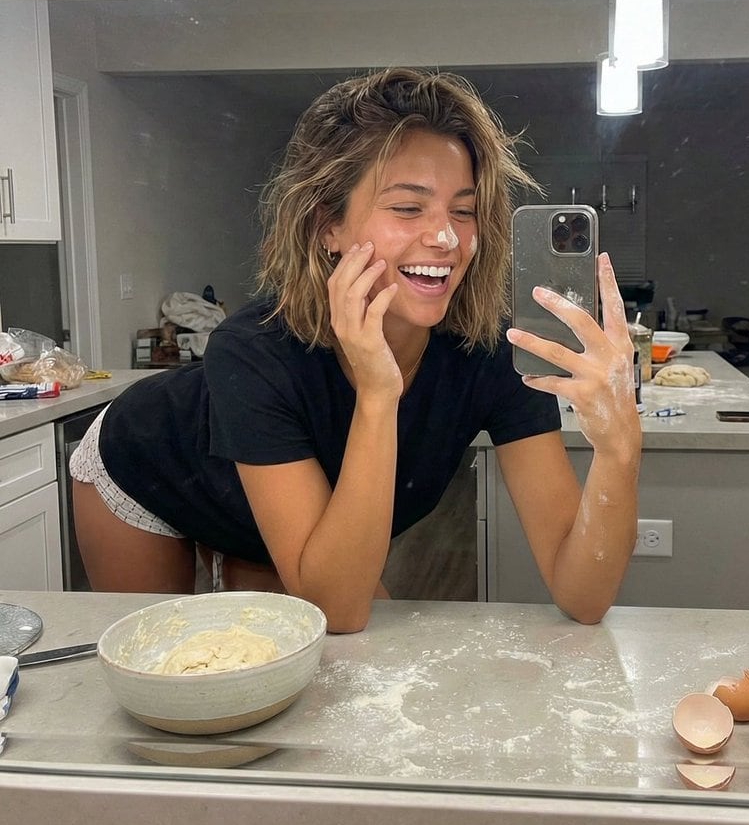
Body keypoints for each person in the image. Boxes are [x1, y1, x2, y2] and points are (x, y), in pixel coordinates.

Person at [72, 68, 641, 632]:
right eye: (407, 207)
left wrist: (619, 451)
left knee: (323, 654)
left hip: (288, 516)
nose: (445, 238)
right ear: (329, 226)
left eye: (463, 211)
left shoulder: (489, 350)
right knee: (169, 657)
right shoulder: (253, 349)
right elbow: (339, 608)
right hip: (153, 468)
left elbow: (582, 596)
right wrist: (378, 392)